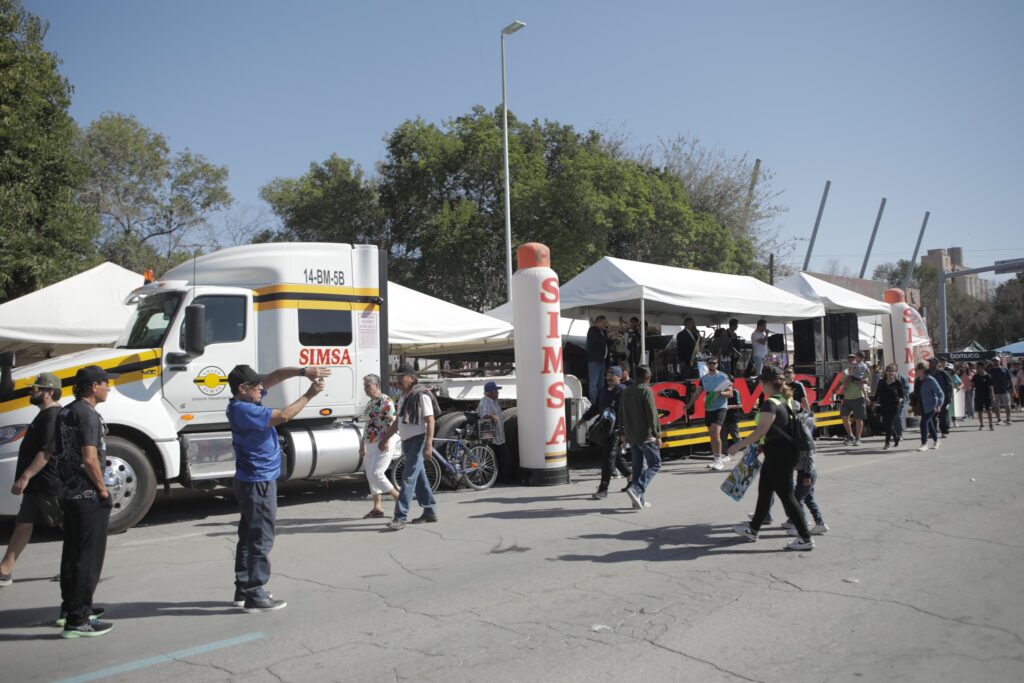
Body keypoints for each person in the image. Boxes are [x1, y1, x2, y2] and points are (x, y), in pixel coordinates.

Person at [226, 362, 330, 612]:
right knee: (261, 537)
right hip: (258, 480)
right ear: (242, 388)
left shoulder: (248, 400)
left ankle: (244, 588)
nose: (262, 389)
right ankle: (255, 594)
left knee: (248, 536)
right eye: (256, 386)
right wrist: (310, 394)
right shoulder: (243, 409)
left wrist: (304, 372)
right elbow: (283, 416)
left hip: (251, 479)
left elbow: (275, 375)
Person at [54, 365, 118, 637]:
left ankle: (70, 607)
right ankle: (79, 619)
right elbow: (90, 458)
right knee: (88, 558)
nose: (108, 388)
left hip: (68, 492)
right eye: (105, 384)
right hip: (87, 494)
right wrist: (102, 489)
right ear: (94, 386)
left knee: (72, 553)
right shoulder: (88, 415)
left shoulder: (66, 411)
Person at [729, 366, 814, 551]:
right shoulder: (787, 400)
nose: (760, 385)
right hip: (782, 452)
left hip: (779, 454)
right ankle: (753, 529)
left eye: (761, 382)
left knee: (786, 495)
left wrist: (737, 446)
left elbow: (761, 431)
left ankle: (805, 538)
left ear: (767, 382)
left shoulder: (770, 404)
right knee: (765, 489)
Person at [0, 373, 63, 588]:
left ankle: (76, 567)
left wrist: (25, 477)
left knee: (69, 526)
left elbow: (47, 452)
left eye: (36, 388)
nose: (31, 391)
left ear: (50, 392)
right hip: (37, 486)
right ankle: (4, 570)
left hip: (47, 484)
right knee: (22, 525)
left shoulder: (53, 415)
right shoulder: (44, 415)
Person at [381, 363, 441, 530]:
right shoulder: (403, 396)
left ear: (412, 378)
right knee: (419, 479)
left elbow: (430, 421)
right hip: (408, 441)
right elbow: (398, 422)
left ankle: (400, 517)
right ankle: (429, 511)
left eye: (402, 377)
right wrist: (385, 438)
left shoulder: (422, 395)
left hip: (418, 441)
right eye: (397, 377)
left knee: (407, 479)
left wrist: (428, 445)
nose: (398, 380)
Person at [576, 367, 630, 500]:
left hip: (616, 430)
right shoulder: (602, 391)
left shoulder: (623, 391)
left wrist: (624, 432)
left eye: (612, 375)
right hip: (604, 429)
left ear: (619, 377)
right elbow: (595, 407)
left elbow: (627, 413)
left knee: (608, 458)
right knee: (615, 457)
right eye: (608, 374)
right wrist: (584, 419)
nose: (609, 377)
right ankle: (632, 478)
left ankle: (603, 489)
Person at [619, 366, 661, 510]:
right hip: (645, 435)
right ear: (648, 378)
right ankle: (637, 490)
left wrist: (623, 432)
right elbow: (652, 414)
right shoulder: (646, 391)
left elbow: (622, 414)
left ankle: (638, 500)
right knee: (655, 464)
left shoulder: (625, 391)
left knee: (637, 467)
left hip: (632, 435)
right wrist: (657, 434)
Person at [359, 374, 400, 518]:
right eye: (364, 386)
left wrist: (386, 440)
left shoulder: (386, 401)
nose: (365, 389)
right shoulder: (371, 402)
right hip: (370, 441)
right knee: (370, 475)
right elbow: (367, 424)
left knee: (377, 473)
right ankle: (377, 507)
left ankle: (398, 497)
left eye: (368, 386)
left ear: (376, 385)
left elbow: (391, 422)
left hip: (383, 441)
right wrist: (362, 444)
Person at [694, 358, 734, 471]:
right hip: (709, 407)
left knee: (715, 433)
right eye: (710, 363)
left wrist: (719, 393)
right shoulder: (704, 378)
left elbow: (730, 393)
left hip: (721, 407)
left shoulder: (723, 376)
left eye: (714, 363)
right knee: (711, 435)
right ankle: (716, 459)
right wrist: (689, 404)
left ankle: (719, 461)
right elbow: (697, 393)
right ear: (707, 364)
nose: (712, 365)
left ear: (717, 364)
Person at [477, 381, 516, 484]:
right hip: (491, 437)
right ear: (490, 392)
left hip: (499, 436)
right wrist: (492, 417)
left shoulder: (493, 401)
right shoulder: (485, 401)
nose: (498, 393)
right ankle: (500, 478)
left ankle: (499, 478)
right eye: (496, 391)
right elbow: (484, 415)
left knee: (502, 457)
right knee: (501, 456)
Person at [914, 362, 944, 452]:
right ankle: (937, 440)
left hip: (931, 405)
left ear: (922, 370)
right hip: (921, 405)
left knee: (923, 423)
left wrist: (939, 404)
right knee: (929, 424)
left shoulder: (930, 380)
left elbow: (940, 393)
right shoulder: (917, 380)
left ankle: (924, 444)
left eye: (917, 370)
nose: (916, 371)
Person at [874, 364, 906, 449]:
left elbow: (902, 394)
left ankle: (887, 443)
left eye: (894, 371)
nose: (891, 373)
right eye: (889, 371)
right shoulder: (881, 382)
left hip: (894, 406)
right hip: (883, 405)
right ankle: (896, 437)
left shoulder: (897, 382)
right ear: (886, 372)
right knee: (886, 424)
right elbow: (877, 393)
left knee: (889, 423)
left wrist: (901, 400)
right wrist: (874, 402)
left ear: (896, 372)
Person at [840, 354, 868, 446]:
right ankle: (850, 435)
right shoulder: (845, 371)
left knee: (859, 418)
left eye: (853, 358)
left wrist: (853, 380)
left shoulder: (861, 368)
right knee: (844, 417)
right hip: (847, 398)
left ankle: (858, 438)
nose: (851, 360)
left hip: (858, 397)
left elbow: (866, 381)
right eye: (849, 358)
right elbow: (842, 382)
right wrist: (838, 389)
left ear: (856, 359)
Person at [586, 316, 611, 401]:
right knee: (594, 384)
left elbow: (605, 344)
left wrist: (612, 338)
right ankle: (594, 403)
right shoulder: (592, 330)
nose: (605, 325)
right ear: (598, 322)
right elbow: (599, 341)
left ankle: (600, 402)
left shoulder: (603, 332)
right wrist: (608, 336)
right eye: (604, 323)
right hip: (594, 361)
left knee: (601, 384)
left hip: (602, 361)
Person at [928, 358, 953, 437]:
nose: (930, 364)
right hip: (931, 398)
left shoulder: (943, 373)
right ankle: (933, 431)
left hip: (943, 398)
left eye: (931, 363)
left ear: (937, 364)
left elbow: (950, 386)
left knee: (943, 415)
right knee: (932, 415)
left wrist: (950, 397)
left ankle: (944, 431)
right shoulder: (927, 373)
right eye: (929, 363)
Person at [972, 361, 995, 431]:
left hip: (987, 395)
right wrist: (971, 388)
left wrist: (992, 395)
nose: (976, 368)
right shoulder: (975, 376)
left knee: (989, 410)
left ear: (982, 367)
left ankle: (991, 424)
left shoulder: (988, 376)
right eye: (976, 367)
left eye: (977, 367)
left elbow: (991, 387)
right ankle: (981, 424)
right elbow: (972, 385)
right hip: (978, 395)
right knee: (979, 410)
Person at [990, 358, 1013, 425]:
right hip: (994, 391)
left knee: (1007, 405)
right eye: (994, 361)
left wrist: (1013, 388)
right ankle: (999, 419)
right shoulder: (990, 371)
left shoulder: (1005, 369)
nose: (995, 362)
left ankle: (1008, 418)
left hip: (1005, 390)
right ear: (992, 362)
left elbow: (1010, 379)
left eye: (996, 361)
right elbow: (989, 382)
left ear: (999, 361)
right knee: (996, 406)